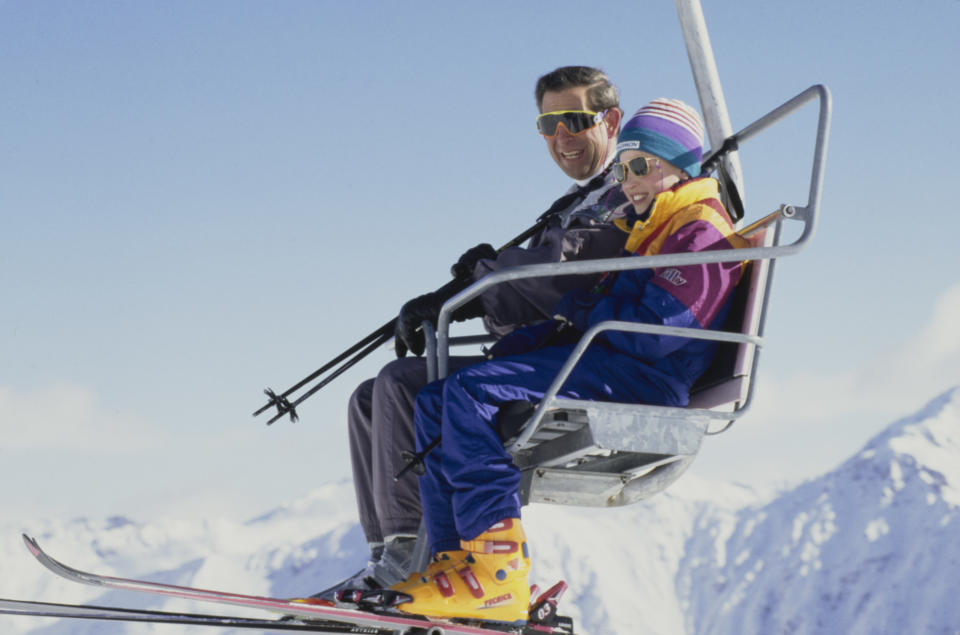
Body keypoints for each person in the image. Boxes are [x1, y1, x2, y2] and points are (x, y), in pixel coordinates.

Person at [388, 98, 749, 624]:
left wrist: (579, 311)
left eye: (642, 165)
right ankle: (454, 560)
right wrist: (549, 329)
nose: (629, 180)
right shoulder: (654, 231)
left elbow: (657, 331)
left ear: (681, 167)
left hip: (644, 377)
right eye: (624, 168)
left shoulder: (700, 235)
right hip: (610, 361)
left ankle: (496, 568)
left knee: (473, 392)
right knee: (435, 398)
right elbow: (607, 310)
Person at [316, 66, 631, 599]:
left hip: (581, 361)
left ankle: (408, 556)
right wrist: (475, 286)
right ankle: (387, 553)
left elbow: (563, 274)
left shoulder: (628, 190)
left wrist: (473, 290)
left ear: (611, 119)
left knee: (400, 383)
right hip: (549, 349)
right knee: (370, 398)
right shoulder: (578, 201)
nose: (562, 138)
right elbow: (534, 294)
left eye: (575, 119)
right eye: (548, 125)